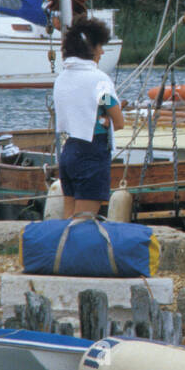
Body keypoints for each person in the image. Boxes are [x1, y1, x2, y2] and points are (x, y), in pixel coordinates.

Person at [53, 17, 124, 219]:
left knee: (68, 218)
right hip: (92, 152)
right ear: (90, 48)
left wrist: (102, 118)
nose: (102, 52)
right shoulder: (98, 79)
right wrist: (107, 119)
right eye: (100, 46)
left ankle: (61, 250)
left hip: (69, 151)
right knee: (84, 221)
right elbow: (119, 122)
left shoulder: (61, 78)